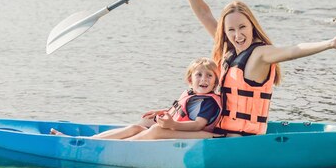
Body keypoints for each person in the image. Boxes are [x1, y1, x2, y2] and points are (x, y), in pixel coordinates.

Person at [166, 0, 336, 137]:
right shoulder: (229, 49)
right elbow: (204, 14)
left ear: (252, 25)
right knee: (155, 125)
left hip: (240, 138)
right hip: (220, 130)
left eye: (243, 27)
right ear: (225, 32)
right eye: (231, 29)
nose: (238, 35)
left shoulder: (260, 54)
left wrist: (330, 43)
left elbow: (294, 50)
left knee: (165, 132)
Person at [51, 58, 223, 140]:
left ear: (215, 81)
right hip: (181, 128)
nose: (204, 80)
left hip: (198, 135)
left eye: (209, 76)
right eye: (199, 75)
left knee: (155, 130)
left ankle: (122, 147)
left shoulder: (208, 102)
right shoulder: (192, 95)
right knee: (139, 125)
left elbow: (198, 124)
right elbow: (185, 112)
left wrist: (172, 125)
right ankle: (91, 141)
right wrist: (165, 112)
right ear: (190, 79)